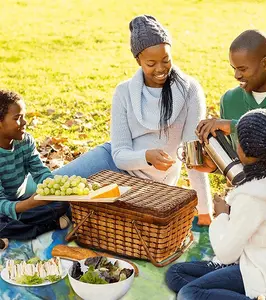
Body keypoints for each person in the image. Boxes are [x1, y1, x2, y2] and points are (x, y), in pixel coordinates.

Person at [51, 15, 213, 225]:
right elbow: (119, 155)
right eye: (151, 63)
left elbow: (193, 156)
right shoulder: (125, 92)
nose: (161, 69)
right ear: (138, 60)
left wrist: (205, 211)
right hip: (113, 163)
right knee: (49, 188)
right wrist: (146, 156)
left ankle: (62, 217)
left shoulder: (190, 90)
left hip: (148, 186)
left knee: (92, 216)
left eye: (166, 60)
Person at [166, 108, 266, 300]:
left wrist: (222, 215)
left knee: (189, 293)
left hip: (258, 273)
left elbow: (226, 253)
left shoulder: (251, 197)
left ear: (243, 150)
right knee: (176, 273)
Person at [195, 29, 266, 259]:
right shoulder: (230, 99)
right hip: (247, 207)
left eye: (242, 69)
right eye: (233, 68)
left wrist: (234, 126)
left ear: (265, 62)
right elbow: (241, 160)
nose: (236, 76)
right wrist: (215, 165)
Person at [0, 90, 70, 242]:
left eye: (24, 116)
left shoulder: (25, 141)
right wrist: (28, 205)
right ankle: (45, 225)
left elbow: (40, 172)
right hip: (4, 207)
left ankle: (12, 232)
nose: (25, 122)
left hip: (21, 201)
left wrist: (53, 189)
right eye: (18, 118)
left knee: (63, 203)